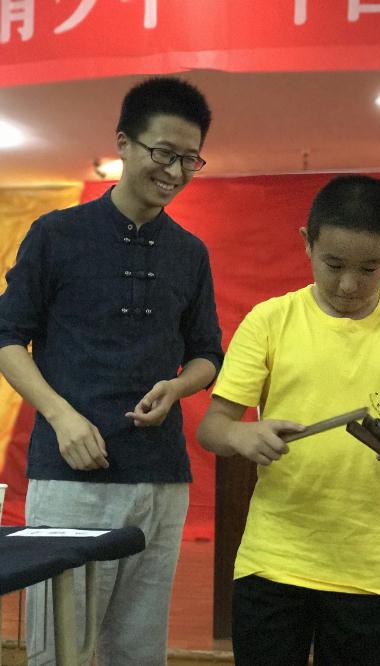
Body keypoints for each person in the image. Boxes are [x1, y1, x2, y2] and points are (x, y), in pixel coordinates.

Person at [197, 174, 380, 666]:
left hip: (373, 568)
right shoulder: (269, 320)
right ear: (307, 243)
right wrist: (243, 434)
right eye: (333, 265)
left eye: (370, 268)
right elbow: (212, 428)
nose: (349, 284)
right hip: (274, 560)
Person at [0, 76, 223, 665]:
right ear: (123, 142)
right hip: (70, 475)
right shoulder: (57, 234)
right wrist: (61, 416)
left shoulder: (190, 252)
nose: (174, 172)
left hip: (161, 479)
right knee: (59, 651)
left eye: (189, 159)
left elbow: (208, 354)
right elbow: (6, 337)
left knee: (139, 652)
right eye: (163, 153)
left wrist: (178, 386)